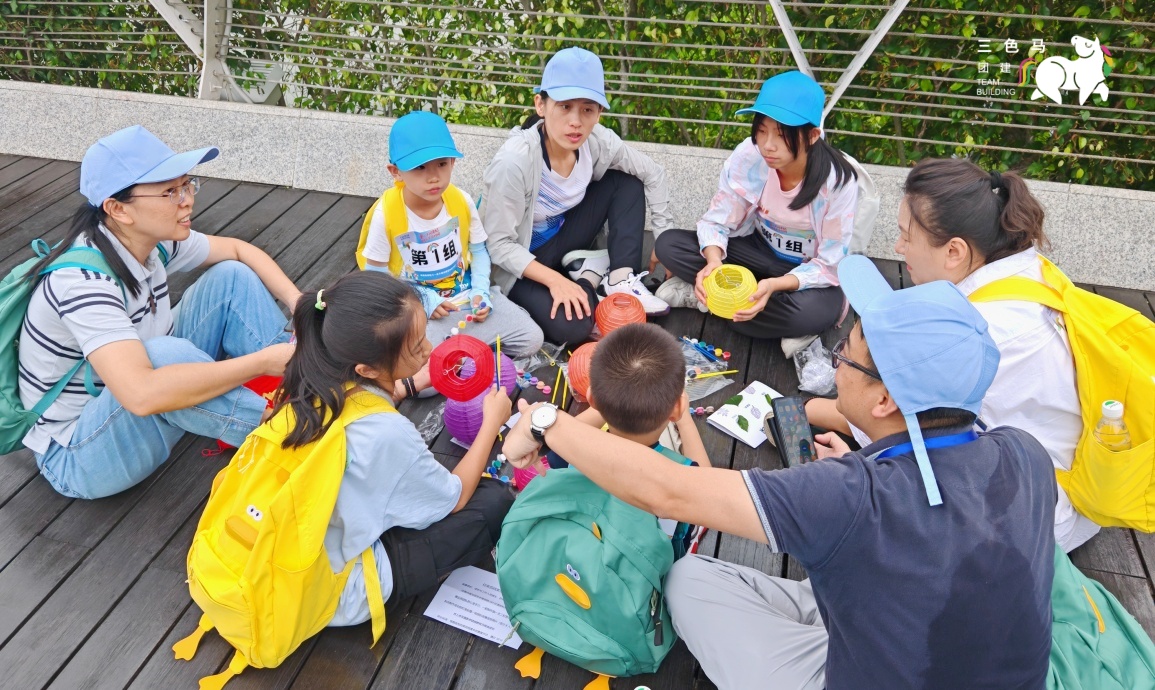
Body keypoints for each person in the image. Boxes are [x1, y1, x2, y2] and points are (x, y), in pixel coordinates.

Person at [502, 256, 1057, 690]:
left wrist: (545, 420)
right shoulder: (1025, 453)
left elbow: (670, 491)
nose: (836, 363)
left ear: (886, 400)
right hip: (965, 659)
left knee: (686, 583)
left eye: (844, 355)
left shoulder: (849, 496)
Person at [805, 157, 1098, 552]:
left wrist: (812, 418)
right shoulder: (1027, 271)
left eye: (906, 236)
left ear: (955, 251)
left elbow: (892, 420)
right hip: (1064, 481)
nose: (898, 247)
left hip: (1027, 524)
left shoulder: (979, 335)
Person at [20, 125, 299, 499]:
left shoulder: (149, 241)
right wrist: (261, 362)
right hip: (79, 453)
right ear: (118, 209)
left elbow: (237, 250)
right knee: (163, 356)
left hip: (137, 394)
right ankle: (288, 428)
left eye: (187, 185)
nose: (187, 201)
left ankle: (304, 380)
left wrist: (299, 303)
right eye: (170, 192)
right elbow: (141, 395)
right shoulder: (82, 284)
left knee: (231, 277)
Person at [274, 271, 514, 623]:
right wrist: (492, 422)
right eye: (416, 347)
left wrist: (408, 385)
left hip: (287, 554)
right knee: (492, 501)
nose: (429, 349)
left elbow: (367, 404)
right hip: (330, 592)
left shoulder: (307, 388)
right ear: (367, 370)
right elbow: (456, 498)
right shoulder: (387, 433)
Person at [653, 71, 861, 356]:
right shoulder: (750, 156)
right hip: (756, 252)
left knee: (819, 309)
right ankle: (742, 304)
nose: (767, 145)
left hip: (801, 271)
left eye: (782, 134)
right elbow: (717, 220)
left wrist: (775, 285)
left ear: (812, 136)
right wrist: (713, 262)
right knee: (669, 244)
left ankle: (719, 302)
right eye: (762, 130)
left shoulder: (837, 182)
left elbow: (830, 264)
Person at [483, 46, 673, 345]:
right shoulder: (514, 162)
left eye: (587, 109)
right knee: (573, 327)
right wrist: (556, 281)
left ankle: (619, 279)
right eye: (564, 106)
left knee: (626, 182)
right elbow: (498, 244)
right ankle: (589, 277)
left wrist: (663, 243)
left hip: (564, 237)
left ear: (599, 113)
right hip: (520, 263)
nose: (576, 121)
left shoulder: (598, 142)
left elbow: (653, 173)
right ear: (541, 105)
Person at [359, 111, 543, 400]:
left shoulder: (460, 199)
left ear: (453, 162)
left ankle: (463, 355)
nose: (434, 177)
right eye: (420, 167)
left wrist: (481, 291)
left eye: (442, 164)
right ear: (395, 171)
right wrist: (423, 299)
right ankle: (467, 354)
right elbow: (376, 277)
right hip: (424, 315)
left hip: (466, 298)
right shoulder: (387, 212)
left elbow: (479, 250)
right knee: (421, 383)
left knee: (532, 339)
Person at [544, 323, 709, 552]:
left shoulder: (572, 448)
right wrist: (684, 419)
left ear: (591, 399)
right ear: (678, 408)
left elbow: (561, 436)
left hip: (583, 545)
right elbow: (706, 487)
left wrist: (607, 400)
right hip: (644, 562)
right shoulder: (680, 473)